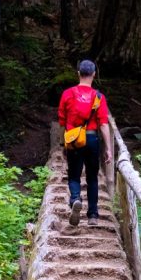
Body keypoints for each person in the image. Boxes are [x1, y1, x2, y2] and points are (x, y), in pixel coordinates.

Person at [57, 59, 113, 227]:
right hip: (91, 139)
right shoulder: (98, 97)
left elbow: (61, 121)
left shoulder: (67, 94)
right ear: (94, 74)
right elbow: (104, 124)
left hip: (74, 139)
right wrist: (108, 149)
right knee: (92, 178)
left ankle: (75, 199)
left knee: (74, 175)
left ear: (78, 73)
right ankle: (93, 215)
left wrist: (63, 143)